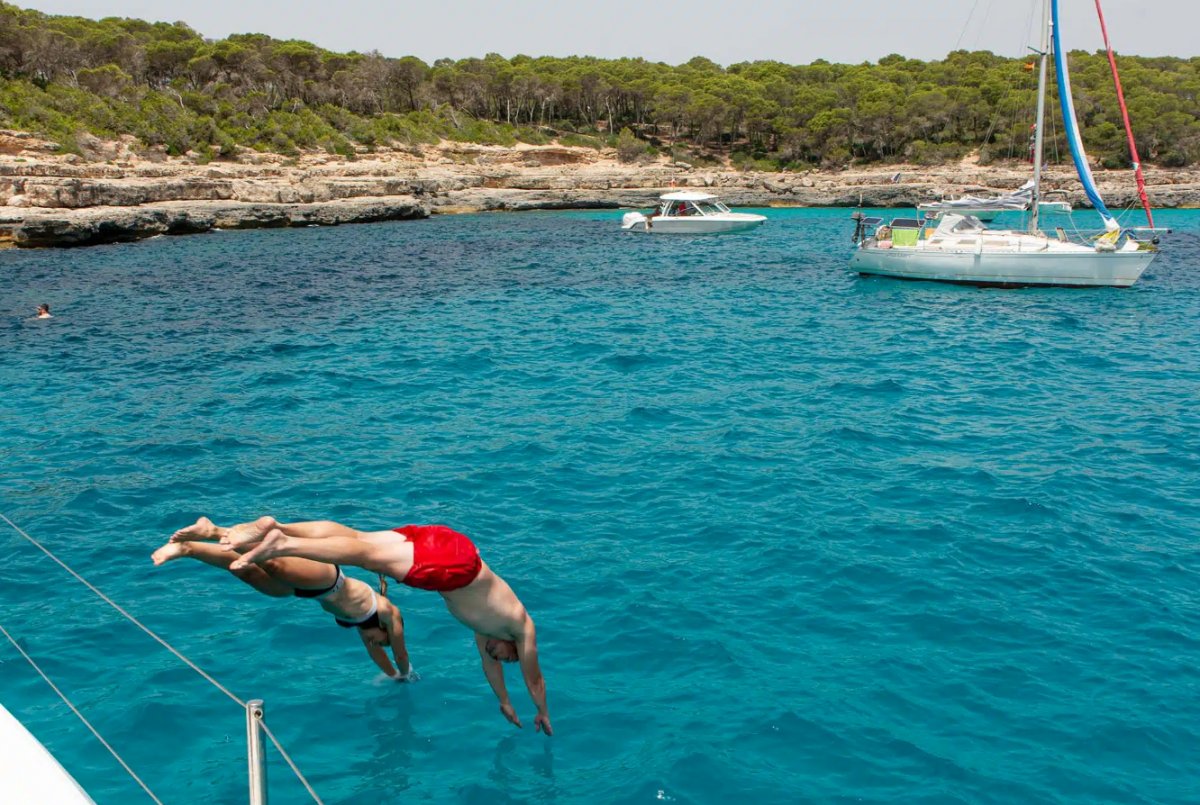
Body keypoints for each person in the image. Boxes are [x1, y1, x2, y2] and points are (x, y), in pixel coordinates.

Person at [222, 517, 552, 735]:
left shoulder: (487, 631)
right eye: (511, 658)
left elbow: (489, 666)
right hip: (453, 568)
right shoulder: (521, 628)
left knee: (358, 538)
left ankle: (276, 527)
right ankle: (283, 544)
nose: (505, 660)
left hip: (453, 547)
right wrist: (542, 712)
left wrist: (505, 702)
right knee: (364, 555)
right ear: (515, 648)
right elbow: (534, 677)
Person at [155, 517, 414, 681]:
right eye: (383, 642)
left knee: (246, 572)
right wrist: (406, 674)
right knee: (273, 563)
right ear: (385, 632)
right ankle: (212, 530)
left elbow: (379, 657)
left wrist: (392, 677)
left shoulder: (363, 629)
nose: (377, 644)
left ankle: (187, 549)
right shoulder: (386, 611)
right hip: (328, 580)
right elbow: (401, 654)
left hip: (303, 593)